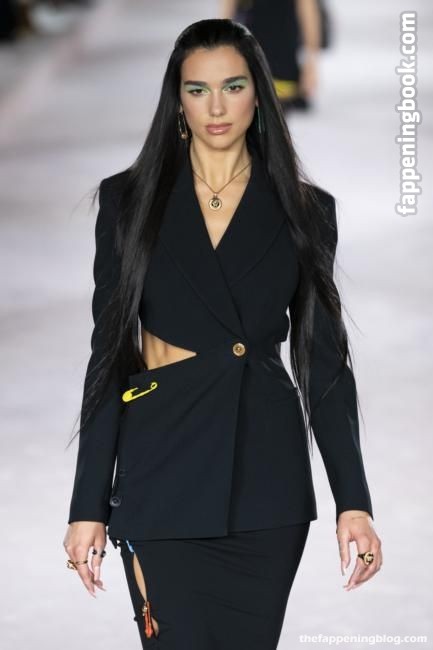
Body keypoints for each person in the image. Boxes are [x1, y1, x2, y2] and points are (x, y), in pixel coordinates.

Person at [63, 18, 382, 650]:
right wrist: (87, 505)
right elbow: (109, 355)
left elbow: (323, 363)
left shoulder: (304, 210)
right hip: (162, 467)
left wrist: (354, 501)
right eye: (198, 89)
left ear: (258, 93)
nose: (216, 107)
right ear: (177, 100)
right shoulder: (130, 202)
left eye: (232, 87)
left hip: (264, 479)